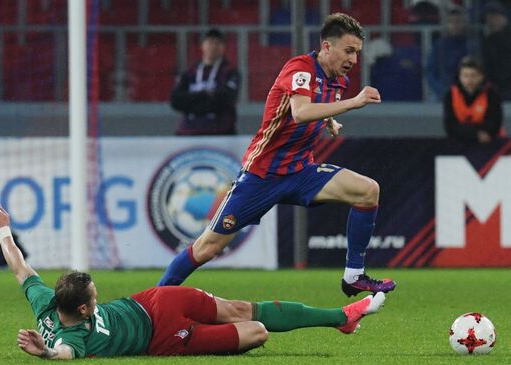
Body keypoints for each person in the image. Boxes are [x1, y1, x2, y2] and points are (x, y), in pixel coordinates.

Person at [158, 13, 396, 297]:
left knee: (368, 190)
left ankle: (354, 276)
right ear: (327, 47)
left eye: (357, 52)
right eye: (349, 51)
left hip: (299, 172)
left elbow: (313, 108)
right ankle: (152, 304)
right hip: (262, 175)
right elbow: (301, 112)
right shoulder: (300, 68)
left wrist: (329, 121)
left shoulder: (336, 80)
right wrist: (353, 103)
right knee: (207, 247)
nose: (354, 60)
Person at [0, 198, 386, 359]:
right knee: (258, 331)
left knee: (242, 308)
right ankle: (335, 318)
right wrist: (46, 354)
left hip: (153, 301)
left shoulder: (47, 305)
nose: (99, 297)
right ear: (83, 308)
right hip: (164, 339)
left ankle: (340, 317)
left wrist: (3, 229)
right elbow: (63, 355)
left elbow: (19, 266)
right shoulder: (73, 338)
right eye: (95, 296)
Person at [170, 28, 240, 135]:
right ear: (202, 45)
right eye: (210, 42)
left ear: (223, 47)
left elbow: (227, 98)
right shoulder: (190, 72)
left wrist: (192, 103)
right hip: (189, 133)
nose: (213, 47)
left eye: (218, 43)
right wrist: (205, 95)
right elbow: (175, 100)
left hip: (220, 133)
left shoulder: (230, 72)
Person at [443, 56, 503, 143]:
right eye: (465, 75)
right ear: (460, 77)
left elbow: (495, 124)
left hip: (490, 142)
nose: (469, 80)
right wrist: (474, 134)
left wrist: (469, 130)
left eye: (473, 75)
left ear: (481, 76)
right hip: (459, 142)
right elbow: (450, 126)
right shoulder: (450, 95)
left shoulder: (492, 94)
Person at [426, 7, 478, 101]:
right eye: (451, 22)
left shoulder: (471, 46)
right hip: (442, 93)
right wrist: (442, 91)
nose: (455, 25)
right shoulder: (439, 46)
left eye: (458, 21)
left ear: (464, 23)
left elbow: (478, 72)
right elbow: (430, 72)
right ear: (446, 24)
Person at [482, 1, 511, 100]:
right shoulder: (488, 42)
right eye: (488, 18)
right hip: (498, 89)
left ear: (504, 17)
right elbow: (487, 68)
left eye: (494, 17)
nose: (491, 21)